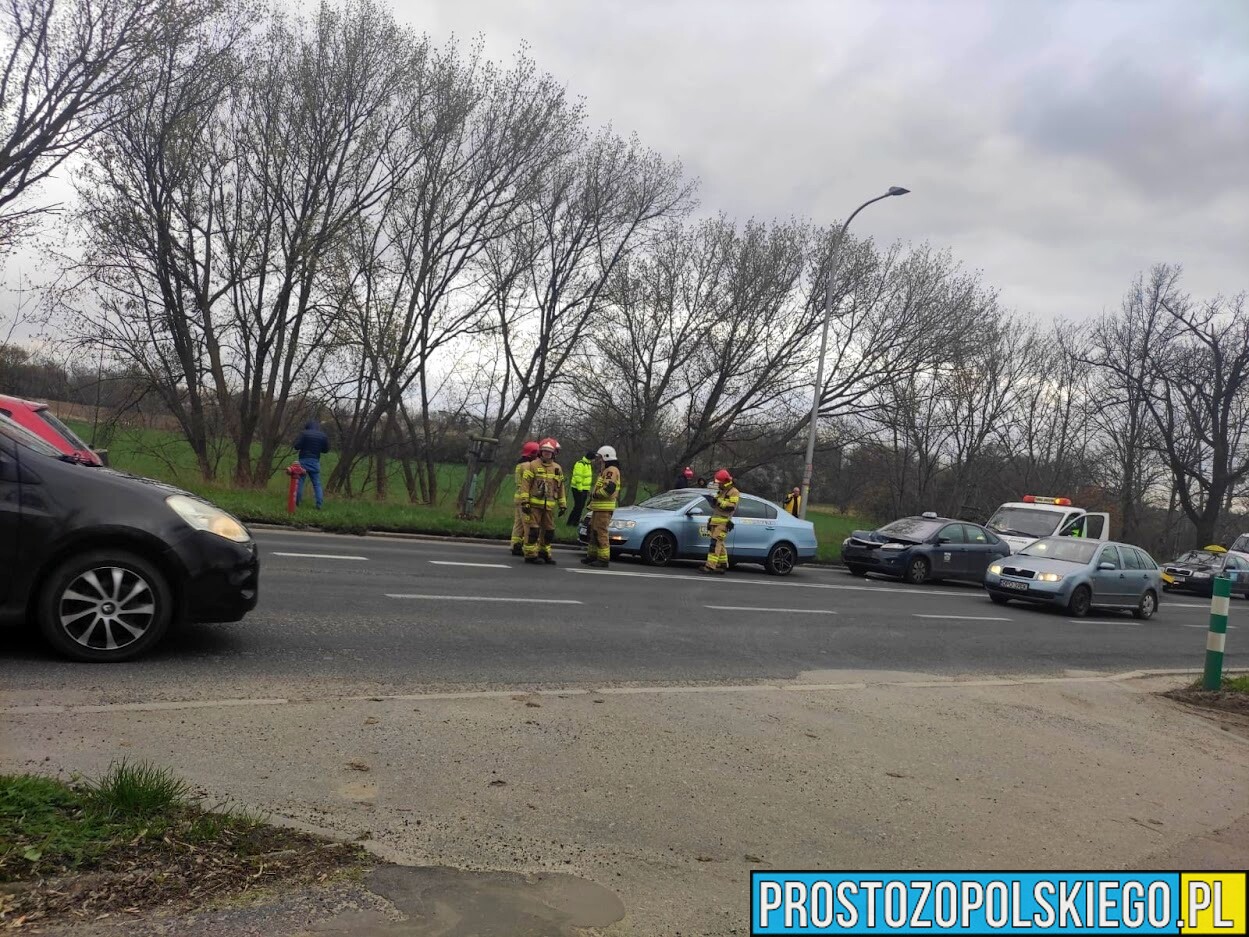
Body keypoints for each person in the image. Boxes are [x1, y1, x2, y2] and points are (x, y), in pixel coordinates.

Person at [521, 438, 566, 565]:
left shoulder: (557, 468)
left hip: (549, 507)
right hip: (534, 505)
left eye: (549, 452)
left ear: (554, 453)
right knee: (533, 531)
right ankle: (530, 555)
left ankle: (544, 553)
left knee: (549, 532)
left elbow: (561, 487)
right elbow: (526, 485)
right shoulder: (532, 465)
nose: (547, 454)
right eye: (545, 451)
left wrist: (563, 505)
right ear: (540, 452)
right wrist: (525, 502)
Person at [582, 445, 622, 568]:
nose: (599, 460)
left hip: (604, 508)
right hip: (599, 508)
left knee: (601, 532)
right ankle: (592, 556)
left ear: (606, 457)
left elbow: (609, 489)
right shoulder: (605, 470)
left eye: (600, 458)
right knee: (594, 531)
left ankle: (603, 559)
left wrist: (595, 494)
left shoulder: (611, 471)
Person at [701, 468, 740, 575]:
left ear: (725, 481)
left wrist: (718, 501)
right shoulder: (722, 491)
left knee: (715, 544)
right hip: (716, 521)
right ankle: (722, 565)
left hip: (723, 523)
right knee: (720, 544)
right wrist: (713, 501)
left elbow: (731, 507)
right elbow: (717, 506)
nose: (718, 485)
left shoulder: (734, 492)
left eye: (719, 483)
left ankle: (710, 566)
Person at [293, 419, 330, 509]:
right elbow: (326, 450)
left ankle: (297, 503)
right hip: (315, 461)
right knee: (317, 484)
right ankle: (319, 504)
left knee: (300, 481)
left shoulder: (304, 434)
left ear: (307, 426)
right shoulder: (323, 436)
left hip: (303, 461)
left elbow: (296, 446)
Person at [511, 441, 541, 555]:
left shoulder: (520, 465)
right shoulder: (527, 466)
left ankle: (515, 545)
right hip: (525, 498)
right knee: (527, 524)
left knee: (518, 524)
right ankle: (528, 547)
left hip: (518, 496)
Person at [568, 450, 594, 525]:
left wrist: (587, 490)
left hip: (584, 489)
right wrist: (580, 489)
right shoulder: (580, 464)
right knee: (578, 506)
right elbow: (578, 477)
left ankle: (574, 522)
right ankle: (572, 522)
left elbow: (587, 479)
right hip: (577, 488)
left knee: (580, 506)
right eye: (593, 458)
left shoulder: (588, 464)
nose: (594, 460)